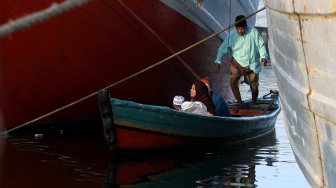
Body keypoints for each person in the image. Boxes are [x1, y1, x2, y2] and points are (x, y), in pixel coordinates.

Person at [214, 15, 268, 110]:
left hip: (252, 65)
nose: (240, 31)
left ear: (246, 27)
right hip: (237, 64)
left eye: (242, 29)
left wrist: (263, 56)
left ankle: (254, 102)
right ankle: (240, 103)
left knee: (254, 87)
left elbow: (261, 45)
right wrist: (218, 61)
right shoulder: (232, 35)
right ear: (236, 28)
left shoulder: (253, 32)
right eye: (238, 29)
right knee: (233, 82)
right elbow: (222, 49)